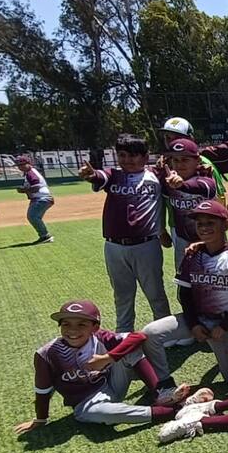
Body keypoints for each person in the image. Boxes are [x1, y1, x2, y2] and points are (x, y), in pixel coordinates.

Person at [13, 300, 191, 437]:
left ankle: (160, 393)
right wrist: (40, 418)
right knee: (97, 414)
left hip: (113, 383)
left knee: (130, 348)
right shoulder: (47, 353)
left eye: (81, 324)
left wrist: (108, 357)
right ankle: (172, 411)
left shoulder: (100, 336)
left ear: (94, 327)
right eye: (66, 324)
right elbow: (43, 391)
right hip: (86, 403)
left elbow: (138, 337)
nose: (72, 330)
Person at [141, 201, 228, 387]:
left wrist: (225, 326)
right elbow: (184, 294)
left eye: (210, 223)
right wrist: (193, 324)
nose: (204, 227)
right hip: (197, 320)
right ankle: (163, 382)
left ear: (225, 225)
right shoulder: (192, 255)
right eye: (199, 223)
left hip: (225, 324)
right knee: (151, 333)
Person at [78, 134, 171, 333]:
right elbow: (99, 177)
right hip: (114, 246)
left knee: (155, 292)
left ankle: (165, 331)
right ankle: (124, 332)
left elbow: (175, 183)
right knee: (122, 294)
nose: (127, 160)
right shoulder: (113, 175)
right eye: (122, 155)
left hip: (146, 245)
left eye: (133, 155)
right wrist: (91, 174)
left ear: (146, 157)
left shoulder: (157, 175)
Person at [158, 137, 218, 262]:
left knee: (212, 278)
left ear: (197, 161)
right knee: (183, 279)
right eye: (175, 160)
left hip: (209, 239)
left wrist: (182, 185)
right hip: (182, 239)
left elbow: (205, 188)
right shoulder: (168, 182)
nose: (180, 164)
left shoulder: (205, 178)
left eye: (185, 159)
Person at [159, 116, 228, 204]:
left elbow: (218, 197)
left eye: (177, 137)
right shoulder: (164, 163)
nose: (172, 142)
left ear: (191, 139)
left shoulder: (204, 163)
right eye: (168, 138)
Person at [14, 154, 54, 244]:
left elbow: (36, 187)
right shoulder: (28, 173)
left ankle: (45, 236)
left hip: (42, 198)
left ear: (28, 163)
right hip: (41, 198)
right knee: (34, 217)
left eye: (22, 164)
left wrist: (23, 190)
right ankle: (44, 235)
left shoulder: (31, 173)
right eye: (18, 165)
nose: (20, 167)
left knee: (32, 216)